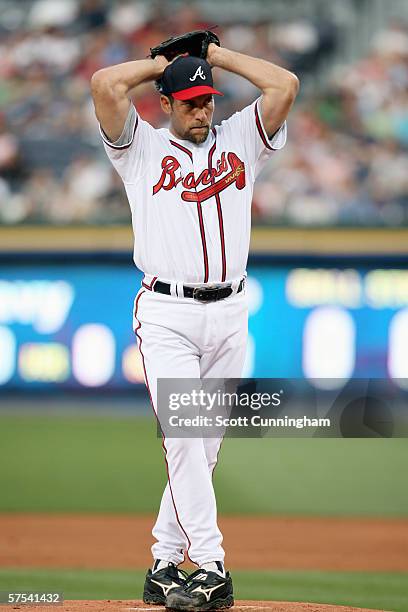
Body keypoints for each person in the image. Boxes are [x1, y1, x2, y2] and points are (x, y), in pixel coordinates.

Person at [91, 40, 298, 611]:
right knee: (183, 438)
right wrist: (165, 66)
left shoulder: (239, 139)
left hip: (231, 312)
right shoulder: (139, 149)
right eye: (188, 100)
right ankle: (209, 566)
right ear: (164, 104)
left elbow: (284, 86)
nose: (201, 110)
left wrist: (215, 55)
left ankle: (162, 562)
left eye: (206, 99)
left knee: (203, 449)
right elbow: (106, 85)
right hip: (167, 314)